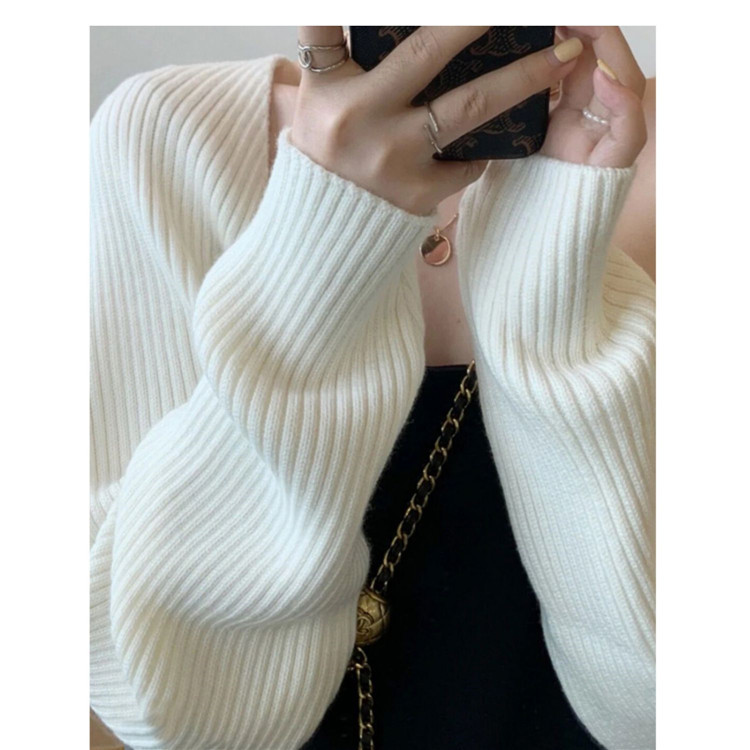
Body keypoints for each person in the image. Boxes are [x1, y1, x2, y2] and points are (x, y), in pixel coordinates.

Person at [89, 26, 655, 750]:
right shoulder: (166, 139)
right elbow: (165, 708)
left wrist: (553, 282)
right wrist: (320, 237)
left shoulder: (662, 148)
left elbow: (654, 713)